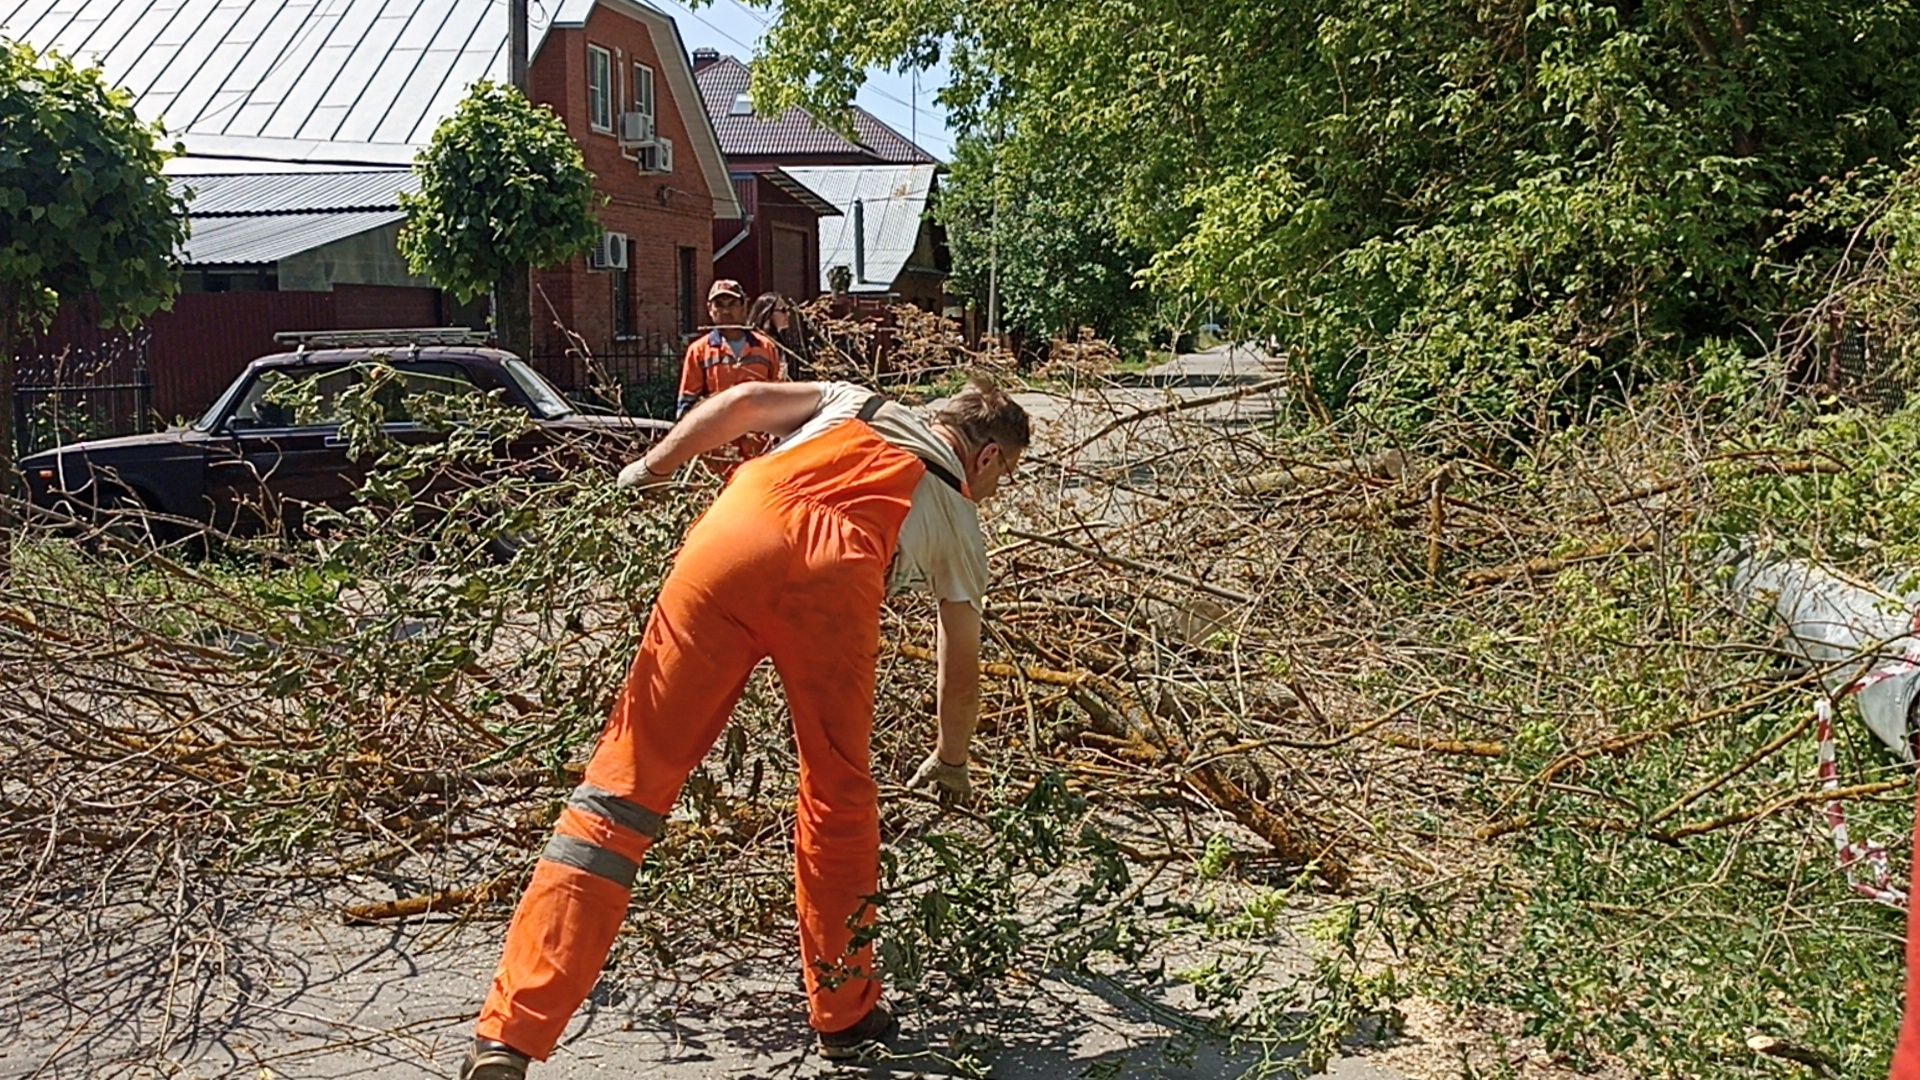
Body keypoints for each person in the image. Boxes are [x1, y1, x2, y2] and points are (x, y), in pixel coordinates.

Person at [459, 375, 1032, 1080]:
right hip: (833, 579)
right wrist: (951, 758)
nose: (998, 490)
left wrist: (653, 468)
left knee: (621, 790)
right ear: (986, 456)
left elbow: (742, 404)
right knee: (838, 798)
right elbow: (961, 661)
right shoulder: (958, 518)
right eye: (1006, 474)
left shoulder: (857, 402)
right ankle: (845, 1015)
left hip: (733, 534)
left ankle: (509, 1036)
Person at [676, 279, 785, 465]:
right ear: (710, 309)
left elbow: (779, 399)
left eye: (733, 303)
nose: (726, 311)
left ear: (744, 306)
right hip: (717, 452)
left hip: (759, 451)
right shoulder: (699, 351)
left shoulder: (765, 347)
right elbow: (687, 406)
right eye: (719, 304)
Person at [748, 291, 814, 381]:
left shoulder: (780, 342)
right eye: (783, 310)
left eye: (787, 309)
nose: (788, 314)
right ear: (768, 313)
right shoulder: (756, 343)